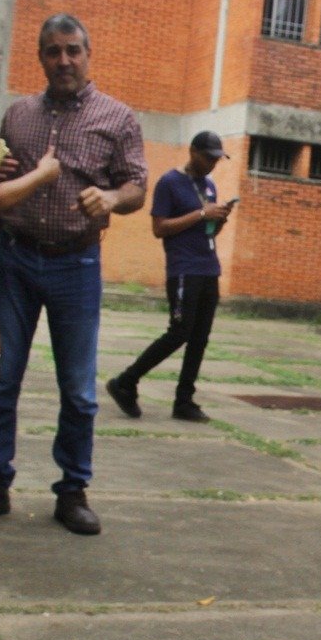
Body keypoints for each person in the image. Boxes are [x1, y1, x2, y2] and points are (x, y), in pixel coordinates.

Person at [0, 13, 147, 536]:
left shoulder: (118, 117)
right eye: (52, 51)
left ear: (88, 55)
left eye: (73, 50)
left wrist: (111, 196)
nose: (63, 60)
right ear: (40, 57)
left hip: (76, 263)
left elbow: (137, 186)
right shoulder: (18, 115)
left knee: (79, 388)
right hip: (15, 259)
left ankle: (73, 491)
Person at [106, 130, 236, 422]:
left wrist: (219, 219)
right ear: (193, 152)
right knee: (179, 332)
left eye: (217, 160)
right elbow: (159, 228)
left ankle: (184, 400)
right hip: (183, 270)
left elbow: (208, 231)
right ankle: (126, 381)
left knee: (199, 338)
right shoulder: (169, 183)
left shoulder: (209, 186)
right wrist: (201, 214)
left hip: (208, 268)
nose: (213, 164)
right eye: (209, 158)